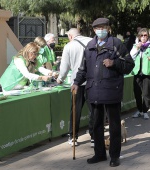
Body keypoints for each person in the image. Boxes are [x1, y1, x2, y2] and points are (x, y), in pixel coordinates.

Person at [71, 18, 134, 167]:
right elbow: (83, 69)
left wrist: (114, 63)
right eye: (98, 28)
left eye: (104, 27)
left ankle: (114, 156)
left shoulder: (116, 44)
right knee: (96, 124)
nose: (101, 30)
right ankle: (99, 154)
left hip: (112, 90)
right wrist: (76, 83)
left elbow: (129, 64)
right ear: (93, 30)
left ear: (108, 28)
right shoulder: (89, 46)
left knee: (114, 125)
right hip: (94, 90)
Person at [56, 28, 94, 146]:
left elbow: (64, 66)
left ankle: (73, 137)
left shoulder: (69, 46)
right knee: (94, 110)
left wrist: (60, 79)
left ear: (70, 36)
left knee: (75, 110)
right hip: (92, 81)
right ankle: (94, 136)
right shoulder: (92, 41)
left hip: (76, 83)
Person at [130, 28, 150, 119]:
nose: (143, 37)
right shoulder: (135, 46)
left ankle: (145, 111)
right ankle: (139, 110)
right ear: (139, 37)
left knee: (146, 93)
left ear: (148, 36)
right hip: (137, 72)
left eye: (145, 35)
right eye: (141, 35)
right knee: (137, 93)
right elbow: (131, 57)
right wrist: (137, 48)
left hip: (147, 73)